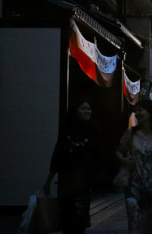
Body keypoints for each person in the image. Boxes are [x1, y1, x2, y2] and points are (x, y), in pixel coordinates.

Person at [115, 99, 152, 234]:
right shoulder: (131, 133)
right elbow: (119, 151)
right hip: (133, 186)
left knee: (151, 226)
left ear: (149, 113)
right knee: (134, 225)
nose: (137, 113)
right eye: (135, 110)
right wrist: (124, 161)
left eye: (140, 110)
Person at [43, 99, 99, 233]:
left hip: (83, 183)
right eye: (83, 108)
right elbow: (57, 155)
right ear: (75, 111)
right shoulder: (67, 131)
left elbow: (97, 157)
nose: (87, 111)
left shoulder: (93, 131)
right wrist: (48, 181)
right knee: (67, 219)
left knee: (80, 220)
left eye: (89, 109)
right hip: (66, 182)